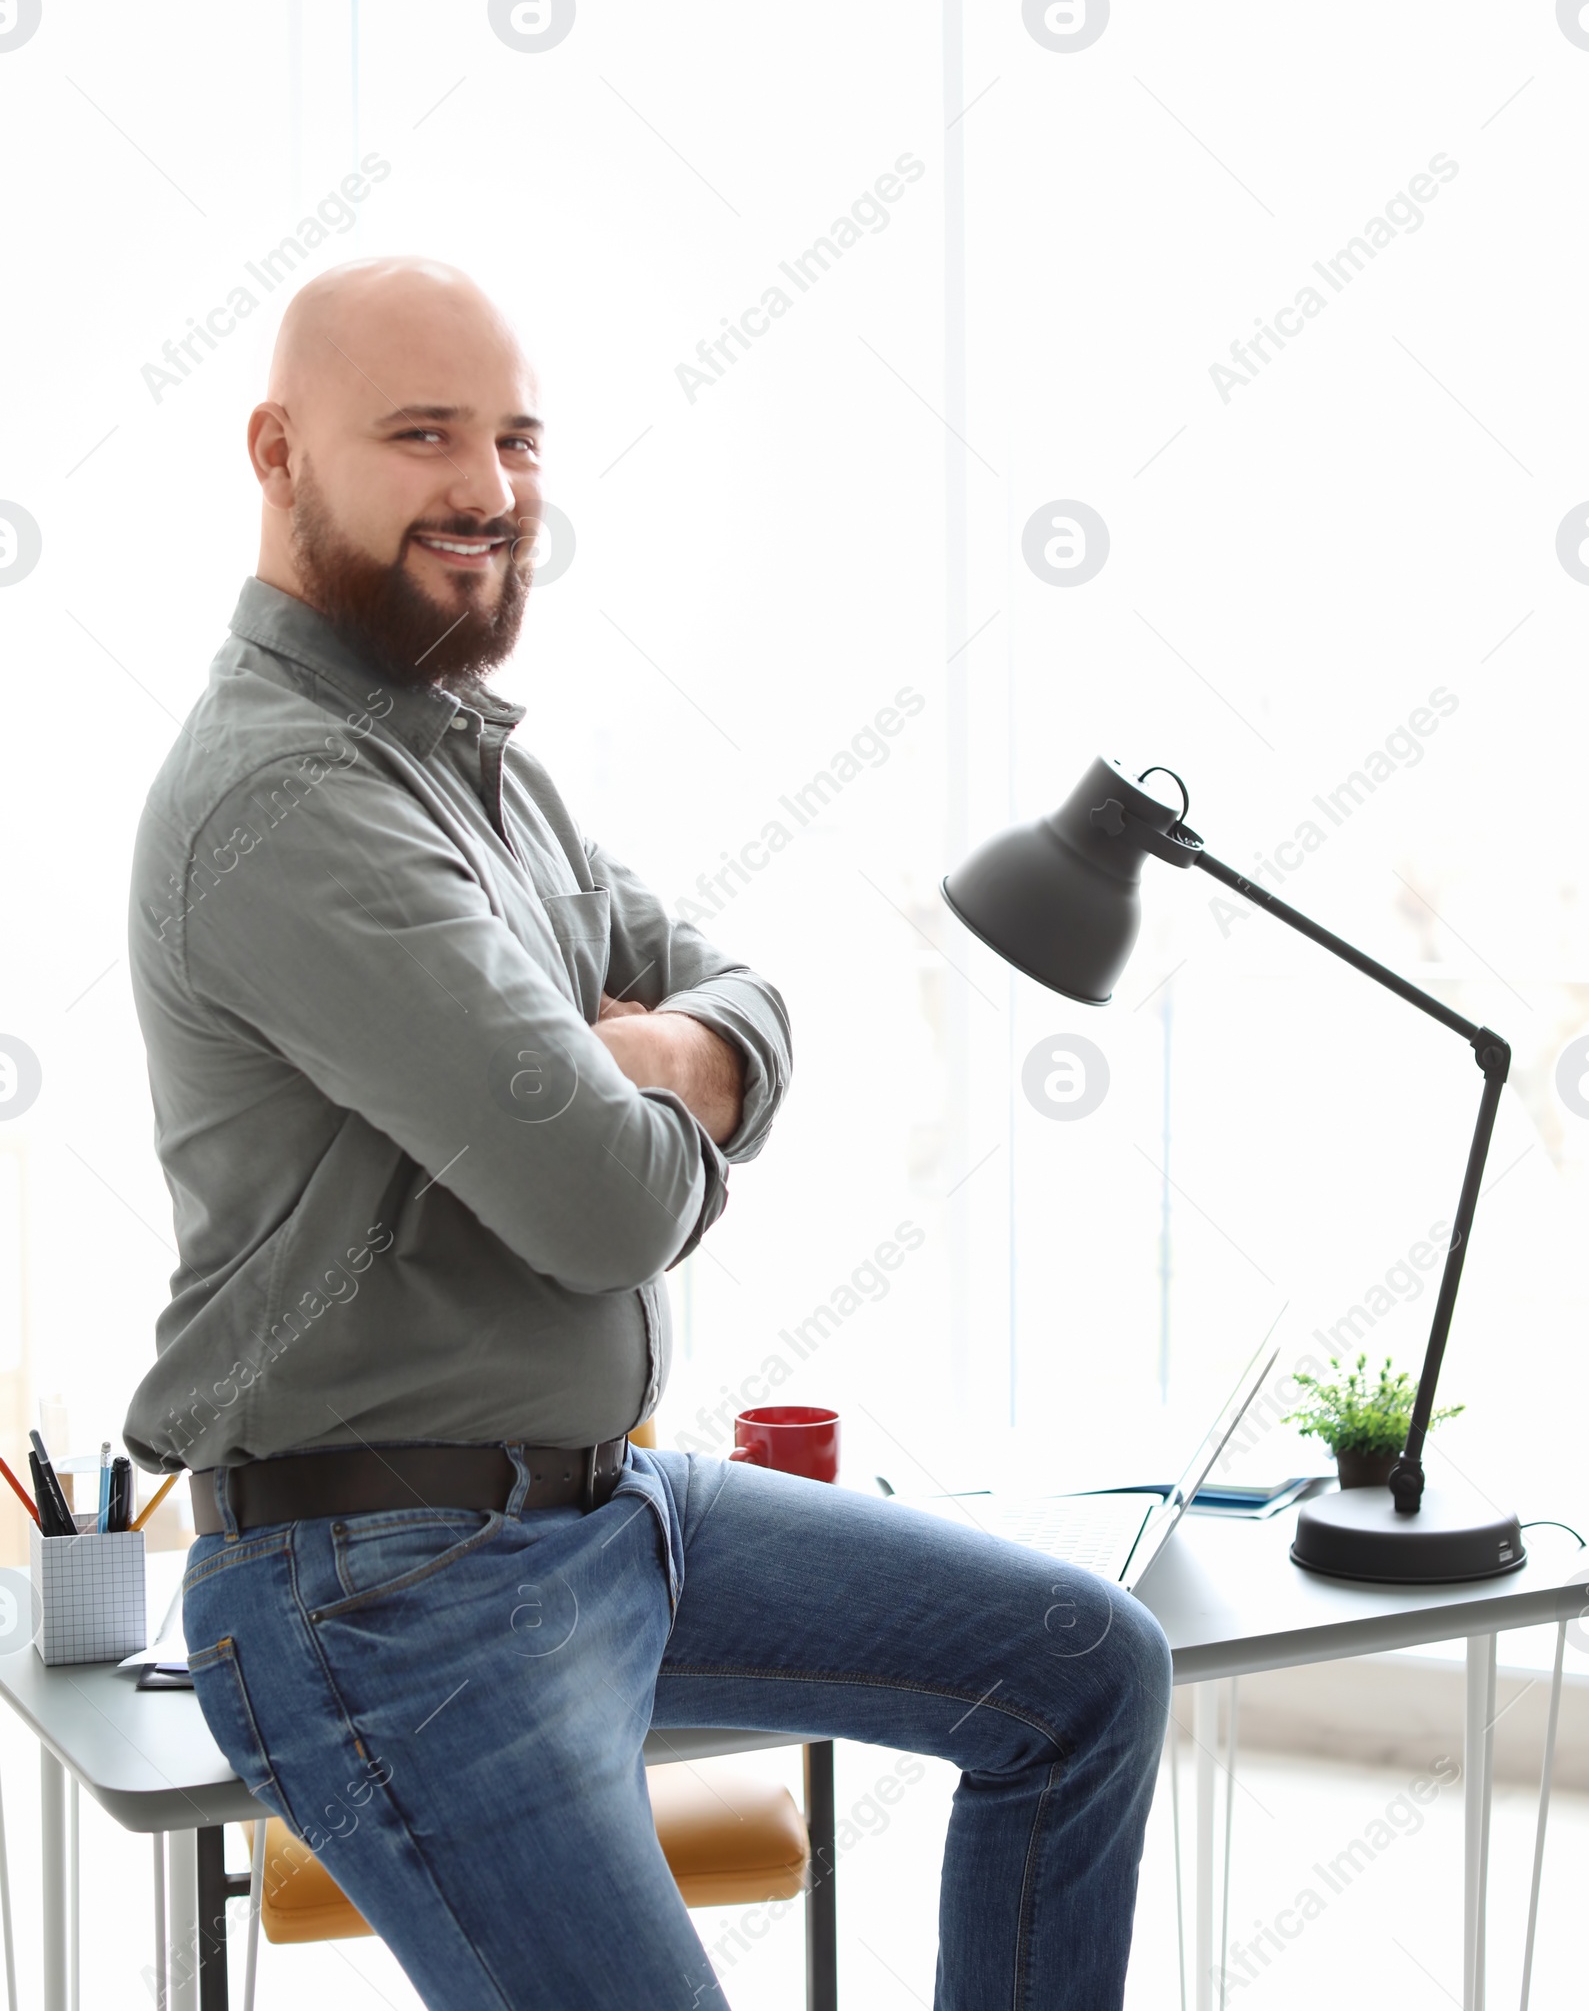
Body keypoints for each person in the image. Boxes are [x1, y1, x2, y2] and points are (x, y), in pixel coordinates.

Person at [124, 257, 1171, 2009]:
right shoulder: (287, 798)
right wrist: (665, 1090)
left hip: (611, 1509)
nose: (489, 489)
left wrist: (672, 1050)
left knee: (1086, 1674)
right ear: (278, 451)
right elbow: (603, 1211)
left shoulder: (478, 768)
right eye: (423, 435)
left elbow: (745, 991)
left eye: (518, 440)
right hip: (380, 1586)